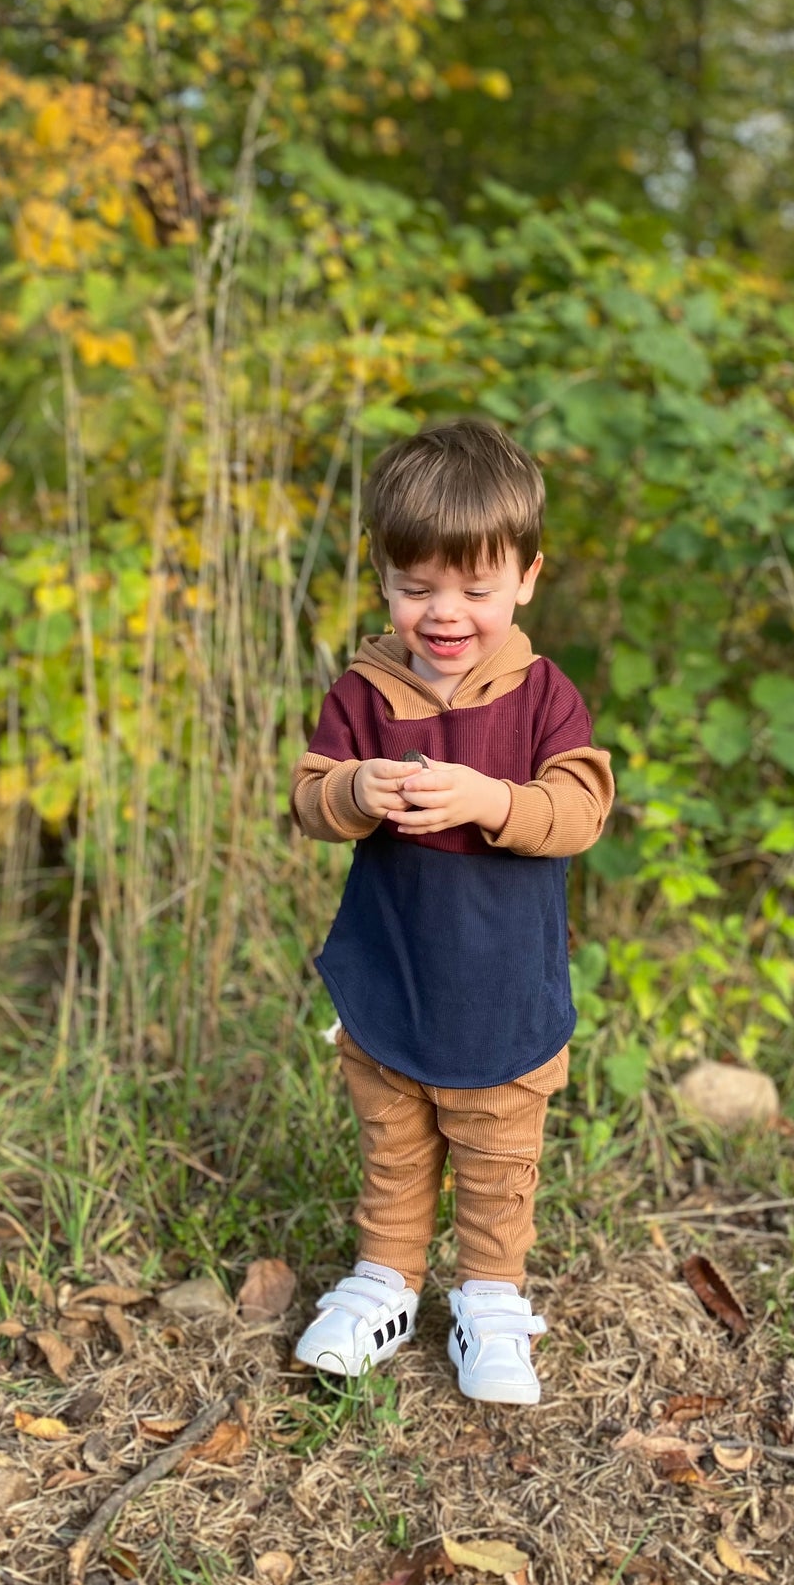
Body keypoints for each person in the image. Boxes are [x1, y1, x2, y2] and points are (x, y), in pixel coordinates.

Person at [289, 419, 613, 1405]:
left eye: (474, 589)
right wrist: (352, 790)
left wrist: (488, 800)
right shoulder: (365, 689)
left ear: (524, 577)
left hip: (498, 980)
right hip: (393, 967)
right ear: (384, 580)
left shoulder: (540, 695)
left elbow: (582, 809)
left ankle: (490, 1296)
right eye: (416, 586)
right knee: (392, 1139)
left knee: (493, 1152)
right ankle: (385, 1279)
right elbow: (307, 798)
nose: (444, 612)